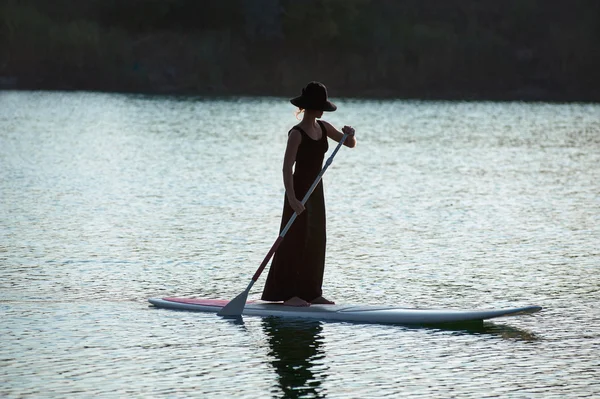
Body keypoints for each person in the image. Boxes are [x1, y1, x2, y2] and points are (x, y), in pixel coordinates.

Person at [261, 82, 356, 307]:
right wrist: (292, 199)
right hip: (298, 192)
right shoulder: (296, 134)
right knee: (295, 240)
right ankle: (288, 294)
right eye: (319, 106)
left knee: (316, 240)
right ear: (309, 107)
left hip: (315, 191)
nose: (322, 110)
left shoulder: (324, 128)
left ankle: (312, 293)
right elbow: (286, 168)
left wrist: (350, 135)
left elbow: (349, 144)